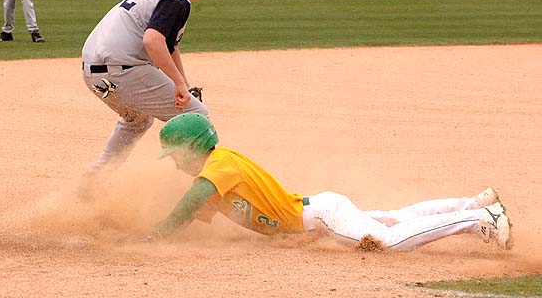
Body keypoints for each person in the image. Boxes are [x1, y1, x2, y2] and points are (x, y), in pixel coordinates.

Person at [150, 113, 513, 252]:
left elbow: (189, 203)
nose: (175, 163)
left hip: (321, 217)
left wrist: (155, 237)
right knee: (394, 218)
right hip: (319, 211)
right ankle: (471, 204)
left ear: (193, 146)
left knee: (385, 242)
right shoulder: (216, 176)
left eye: (176, 154)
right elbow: (193, 217)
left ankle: (480, 221)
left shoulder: (219, 165)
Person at [80, 0, 229, 175]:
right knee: (198, 119)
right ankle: (207, 186)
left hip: (94, 73)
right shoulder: (177, 1)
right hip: (122, 71)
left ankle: (94, 179)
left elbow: (170, 47)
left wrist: (183, 86)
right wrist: (178, 83)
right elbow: (152, 40)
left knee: (137, 120)